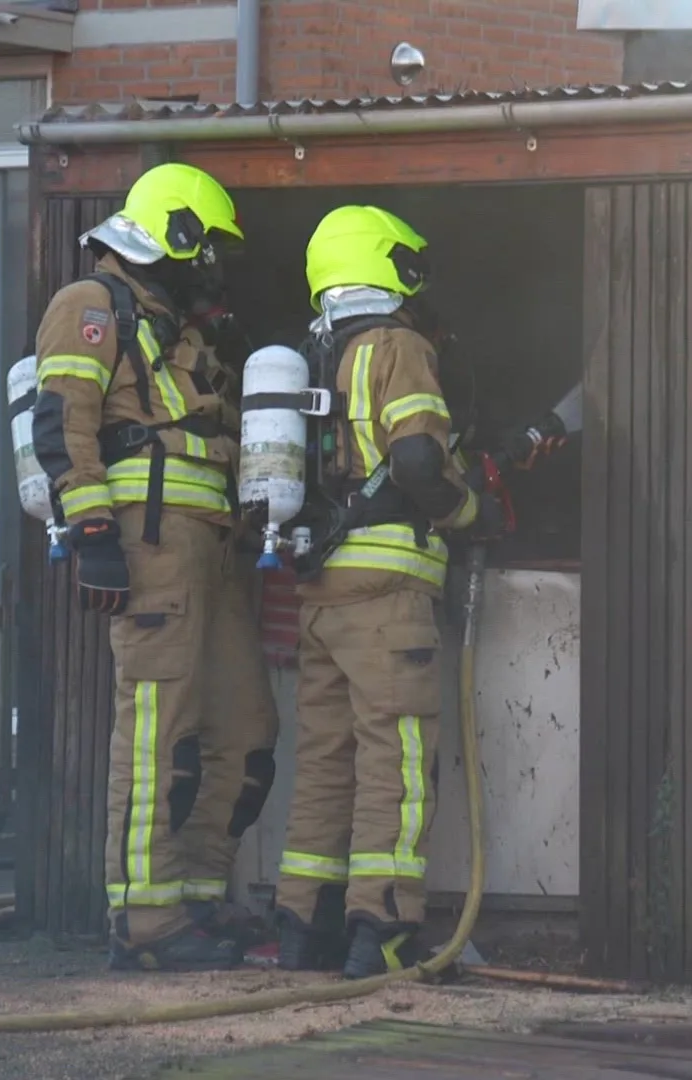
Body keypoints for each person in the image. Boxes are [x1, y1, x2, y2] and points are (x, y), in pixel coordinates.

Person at [30, 162, 281, 973]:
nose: (215, 266)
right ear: (177, 235)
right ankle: (147, 921)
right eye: (209, 248)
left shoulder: (186, 333)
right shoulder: (91, 306)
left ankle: (198, 897)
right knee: (156, 739)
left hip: (213, 557)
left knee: (245, 733)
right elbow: (60, 419)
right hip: (147, 549)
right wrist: (93, 531)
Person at [271, 205, 506, 979]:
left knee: (325, 759)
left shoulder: (310, 354)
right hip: (387, 590)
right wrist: (471, 510)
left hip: (320, 591)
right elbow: (413, 462)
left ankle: (303, 930)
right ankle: (386, 929)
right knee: (396, 761)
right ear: (391, 266)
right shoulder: (395, 345)